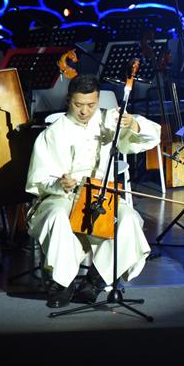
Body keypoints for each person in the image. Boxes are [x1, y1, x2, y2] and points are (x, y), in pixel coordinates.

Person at [25, 75, 160, 307]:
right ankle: (62, 283)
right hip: (63, 197)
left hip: (101, 195)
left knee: (128, 219)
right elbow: (38, 179)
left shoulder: (110, 121)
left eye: (91, 105)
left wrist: (134, 125)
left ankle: (96, 280)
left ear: (98, 100)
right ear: (69, 100)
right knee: (57, 216)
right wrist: (59, 184)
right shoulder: (53, 133)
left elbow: (151, 137)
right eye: (78, 104)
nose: (85, 111)